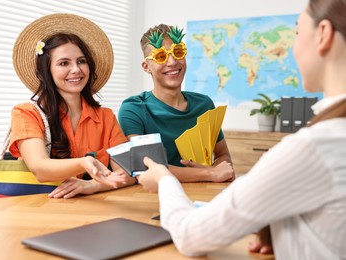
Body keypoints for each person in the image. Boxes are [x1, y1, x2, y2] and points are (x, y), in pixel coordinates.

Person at [136, 1, 346, 259]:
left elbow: (190, 234)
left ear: (323, 34)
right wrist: (286, 233)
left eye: (297, 33)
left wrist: (164, 178)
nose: (292, 47)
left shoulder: (312, 148)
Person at [10, 13, 134, 199]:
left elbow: (129, 173)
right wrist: (85, 163)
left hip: (93, 212)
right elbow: (40, 168)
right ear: (47, 70)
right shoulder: (26, 113)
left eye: (81, 61)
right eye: (64, 63)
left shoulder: (106, 117)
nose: (76, 70)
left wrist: (93, 185)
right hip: (37, 210)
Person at [118, 24, 235, 183]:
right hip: (153, 198)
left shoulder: (204, 104)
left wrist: (219, 170)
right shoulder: (133, 109)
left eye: (178, 53)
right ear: (146, 67)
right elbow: (145, 167)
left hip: (203, 196)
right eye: (161, 56)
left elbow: (223, 155)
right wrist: (210, 173)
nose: (172, 62)